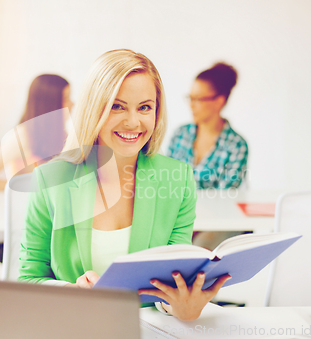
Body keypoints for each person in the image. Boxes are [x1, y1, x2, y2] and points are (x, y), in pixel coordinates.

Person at [18, 49, 230, 322]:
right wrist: (72, 293)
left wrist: (180, 306)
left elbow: (175, 277)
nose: (133, 122)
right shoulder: (51, 179)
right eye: (117, 106)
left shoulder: (177, 179)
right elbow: (28, 277)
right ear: (95, 109)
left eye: (144, 107)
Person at [0, 74, 74, 191]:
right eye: (66, 99)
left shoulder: (61, 133)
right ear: (50, 105)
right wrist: (26, 188)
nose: (72, 103)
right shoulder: (22, 136)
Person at [168, 63, 248, 189]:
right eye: (190, 98)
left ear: (219, 101)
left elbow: (225, 196)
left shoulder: (236, 146)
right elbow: (165, 183)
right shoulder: (180, 134)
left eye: (198, 99)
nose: (191, 105)